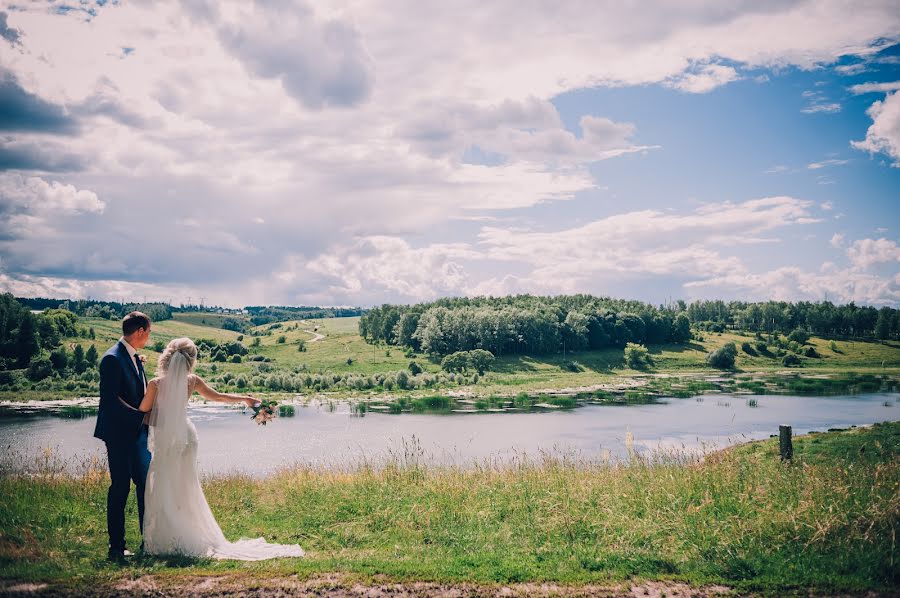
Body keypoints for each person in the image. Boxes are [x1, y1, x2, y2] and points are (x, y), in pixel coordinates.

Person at [137, 337, 304, 560]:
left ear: (167, 357)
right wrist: (246, 398)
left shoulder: (155, 384)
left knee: (163, 484)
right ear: (190, 361)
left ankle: (166, 538)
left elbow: (142, 411)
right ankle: (188, 534)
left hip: (167, 438)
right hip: (187, 437)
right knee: (187, 485)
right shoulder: (192, 381)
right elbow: (219, 397)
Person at [94, 311, 152, 563]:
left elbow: (136, 390)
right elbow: (110, 400)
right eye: (148, 332)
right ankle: (116, 547)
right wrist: (140, 417)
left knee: (144, 486)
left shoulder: (131, 357)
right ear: (139, 332)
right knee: (120, 487)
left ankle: (148, 540)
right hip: (119, 434)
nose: (149, 337)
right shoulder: (112, 358)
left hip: (137, 435)